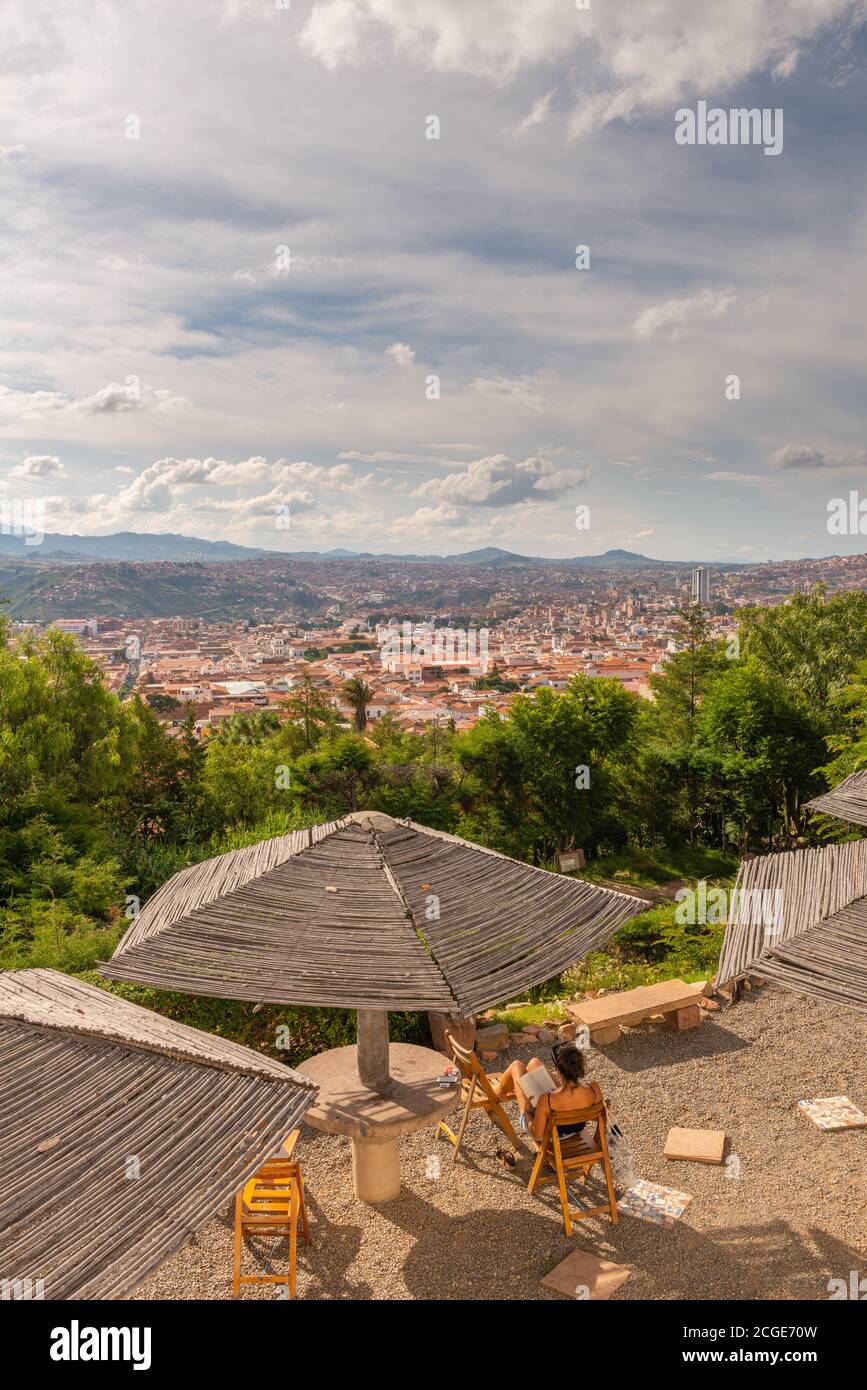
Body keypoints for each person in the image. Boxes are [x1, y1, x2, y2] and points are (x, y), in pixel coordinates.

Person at [493, 1041, 598, 1143]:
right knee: (534, 1063)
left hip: (549, 1137)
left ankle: (499, 1091)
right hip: (575, 1130)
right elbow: (596, 1117)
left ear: (558, 1071)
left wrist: (527, 1111)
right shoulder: (593, 1089)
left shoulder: (546, 1099)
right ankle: (506, 1087)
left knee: (516, 1066)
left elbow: (536, 1133)